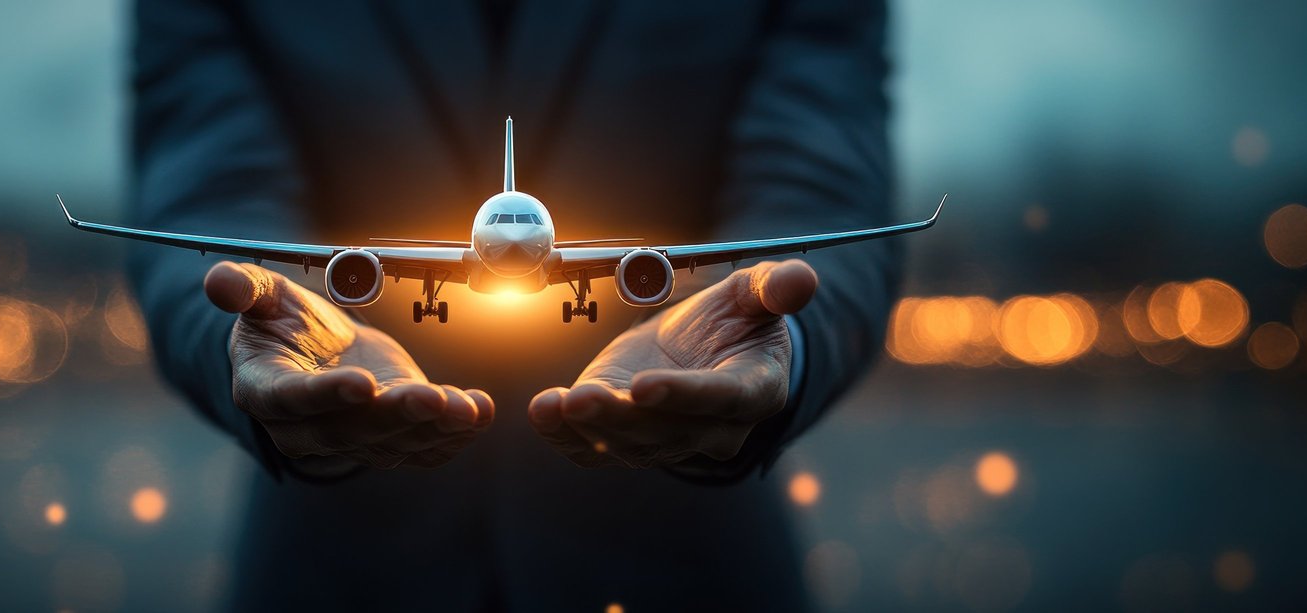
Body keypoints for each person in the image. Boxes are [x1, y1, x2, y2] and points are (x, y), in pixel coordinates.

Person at [128, 1, 899, 609]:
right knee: (392, 282)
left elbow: (819, 181)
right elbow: (207, 186)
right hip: (339, 567)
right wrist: (261, 323)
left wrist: (765, 328)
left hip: (682, 561)